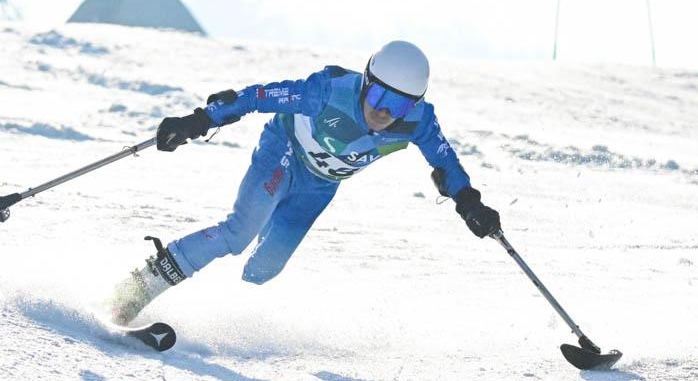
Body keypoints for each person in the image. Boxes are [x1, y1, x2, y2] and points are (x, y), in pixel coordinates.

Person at [108, 40, 502, 325]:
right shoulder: (327, 91)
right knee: (238, 234)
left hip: (318, 188)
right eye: (380, 94)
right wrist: (199, 120)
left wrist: (469, 202)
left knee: (262, 271)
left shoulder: (420, 122)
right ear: (366, 81)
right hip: (283, 154)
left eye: (399, 104)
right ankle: (141, 286)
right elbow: (255, 96)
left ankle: (208, 298)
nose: (384, 111)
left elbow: (445, 163)